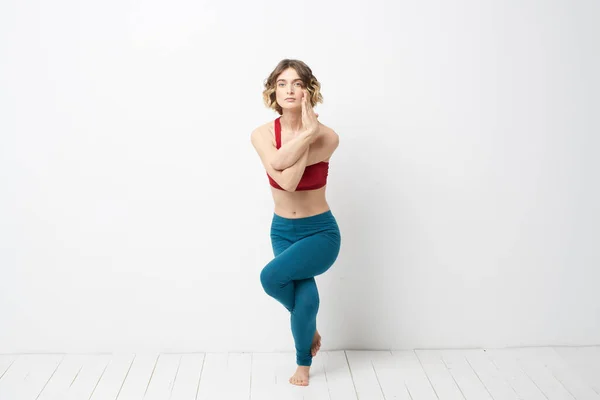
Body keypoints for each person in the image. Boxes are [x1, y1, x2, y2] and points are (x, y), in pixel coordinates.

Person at [250, 59, 342, 387]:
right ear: (274, 91)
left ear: (308, 91)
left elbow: (286, 176)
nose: (289, 90)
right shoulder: (262, 134)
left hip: (320, 232)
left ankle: (303, 357)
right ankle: (308, 342)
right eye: (282, 83)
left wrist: (310, 135)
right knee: (306, 298)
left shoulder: (328, 138)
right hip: (282, 231)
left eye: (297, 83)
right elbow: (281, 170)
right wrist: (307, 135)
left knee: (270, 276)